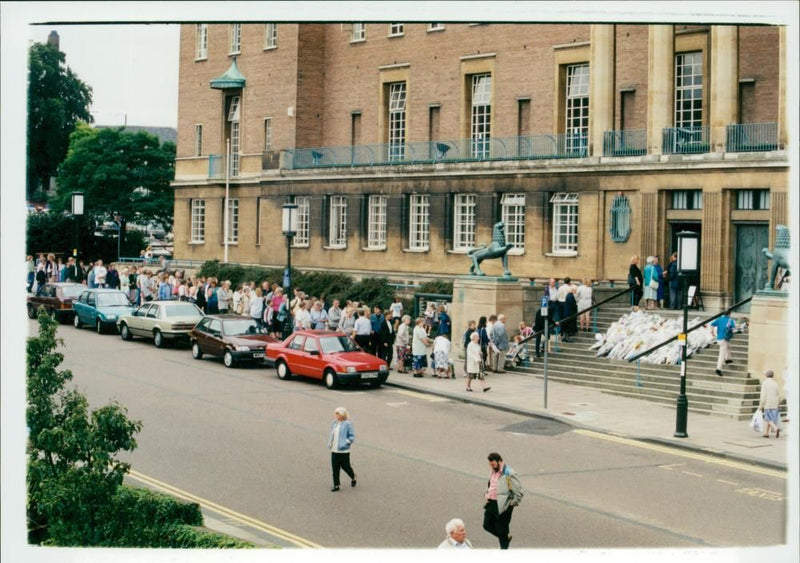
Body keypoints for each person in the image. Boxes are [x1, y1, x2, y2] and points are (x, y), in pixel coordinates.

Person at [483, 452, 523, 549]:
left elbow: (519, 492)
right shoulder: (492, 471)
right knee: (486, 525)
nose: (492, 467)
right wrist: (486, 494)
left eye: (493, 464)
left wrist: (511, 504)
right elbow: (491, 484)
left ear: (500, 461)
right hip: (491, 503)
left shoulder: (509, 473)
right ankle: (505, 537)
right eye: (490, 465)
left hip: (503, 506)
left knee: (501, 530)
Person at [327, 407, 356, 492]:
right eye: (336, 413)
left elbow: (351, 436)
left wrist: (346, 442)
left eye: (337, 413)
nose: (336, 415)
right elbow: (332, 434)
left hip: (343, 450)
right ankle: (336, 485)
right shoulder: (334, 423)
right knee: (335, 468)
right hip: (334, 449)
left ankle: (353, 477)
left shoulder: (348, 424)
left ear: (342, 414)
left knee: (346, 467)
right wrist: (330, 443)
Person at [710, 312, 735, 376]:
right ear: (729, 314)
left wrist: (712, 332)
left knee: (729, 346)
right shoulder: (730, 320)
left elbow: (712, 324)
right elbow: (733, 328)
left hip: (719, 338)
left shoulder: (719, 319)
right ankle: (718, 369)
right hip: (725, 338)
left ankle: (728, 359)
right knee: (722, 354)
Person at [759, 370, 781, 438]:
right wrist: (778, 404)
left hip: (767, 404)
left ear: (766, 375)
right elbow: (778, 395)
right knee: (768, 418)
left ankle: (775, 428)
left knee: (768, 418)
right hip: (774, 404)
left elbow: (763, 395)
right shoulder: (775, 383)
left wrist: (761, 404)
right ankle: (766, 433)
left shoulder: (765, 383)